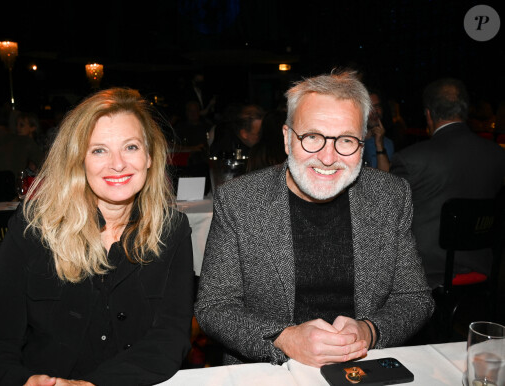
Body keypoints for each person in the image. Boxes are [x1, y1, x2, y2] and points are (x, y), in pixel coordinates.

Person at [195, 70, 434, 367]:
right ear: (286, 138)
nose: (328, 157)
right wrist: (285, 339)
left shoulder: (390, 196)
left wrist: (369, 331)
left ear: (362, 143)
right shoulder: (239, 200)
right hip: (269, 369)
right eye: (312, 137)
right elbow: (214, 307)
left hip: (363, 365)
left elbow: (414, 297)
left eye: (346, 140)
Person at [0, 88, 195, 385]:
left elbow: (169, 339)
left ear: (150, 156)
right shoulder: (34, 229)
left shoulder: (172, 230)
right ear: (78, 160)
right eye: (99, 150)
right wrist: (24, 381)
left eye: (131, 147)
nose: (118, 164)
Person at [390, 78, 505, 288]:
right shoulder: (498, 155)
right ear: (465, 111)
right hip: (482, 264)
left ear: (428, 114)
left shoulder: (411, 159)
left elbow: (387, 216)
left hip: (428, 269)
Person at [362, 90, 394, 171]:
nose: (375, 111)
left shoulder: (386, 144)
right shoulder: (350, 139)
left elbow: (384, 178)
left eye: (377, 106)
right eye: (370, 108)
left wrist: (379, 145)